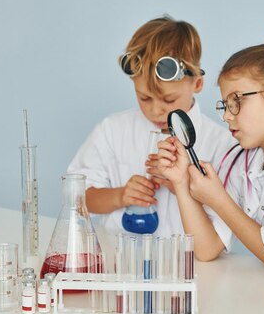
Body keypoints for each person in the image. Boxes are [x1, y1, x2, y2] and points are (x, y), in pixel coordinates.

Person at [153, 29, 264, 274]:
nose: (227, 115)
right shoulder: (243, 159)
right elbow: (206, 249)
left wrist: (218, 199)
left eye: (236, 101)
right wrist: (181, 183)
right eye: (225, 105)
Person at [67, 15, 235, 240]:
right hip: (121, 263)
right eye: (144, 98)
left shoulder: (221, 144)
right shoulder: (113, 130)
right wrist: (120, 196)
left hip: (193, 268)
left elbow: (222, 226)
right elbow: (76, 199)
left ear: (197, 83)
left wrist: (181, 185)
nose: (156, 111)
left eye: (169, 100)